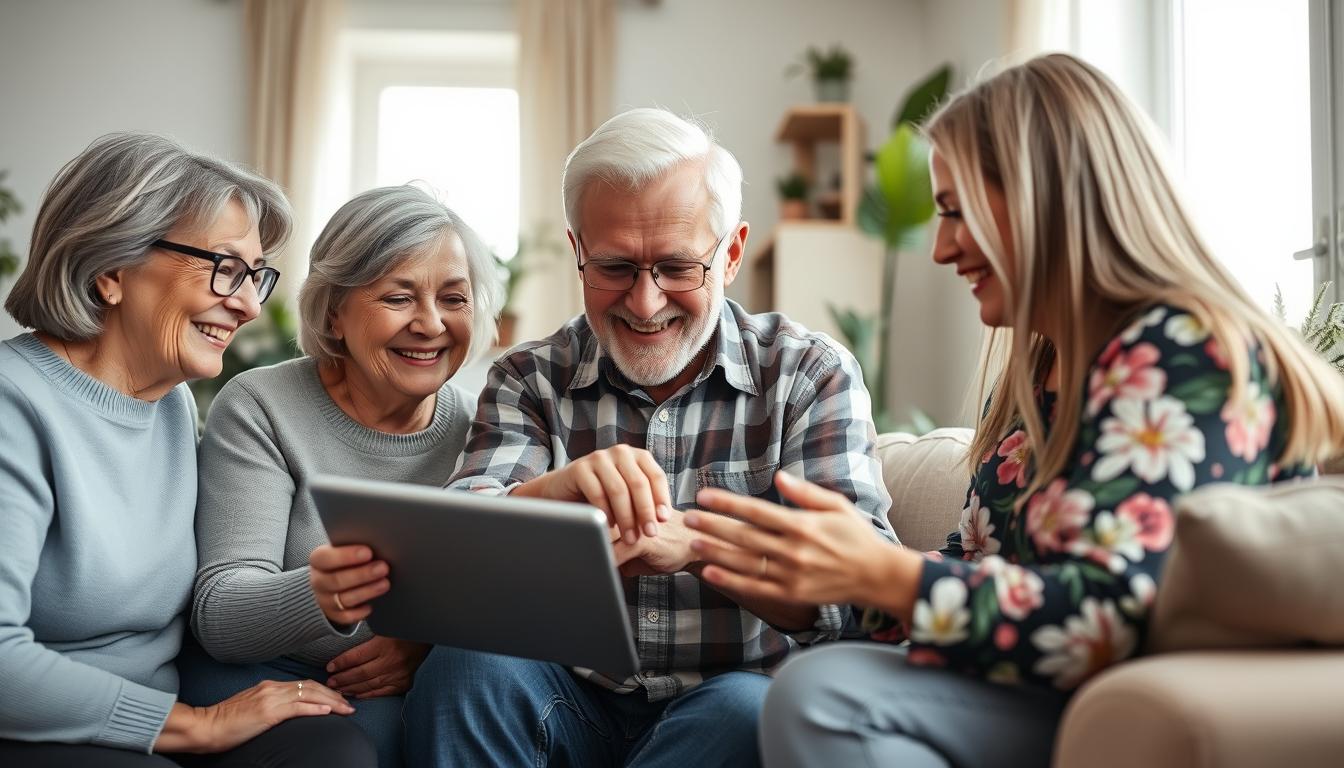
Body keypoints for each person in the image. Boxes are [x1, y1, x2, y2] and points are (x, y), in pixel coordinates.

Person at [682, 52, 1344, 768]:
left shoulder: (1188, 351)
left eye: (955, 212)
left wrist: (885, 574)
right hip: (1035, 682)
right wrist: (846, 572)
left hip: (1116, 685)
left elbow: (1110, 609)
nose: (940, 248)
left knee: (823, 694)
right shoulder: (1040, 371)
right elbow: (975, 564)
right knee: (795, 685)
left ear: (1046, 199)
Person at [387, 107, 894, 768]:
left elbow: (865, 600)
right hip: (562, 696)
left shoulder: (807, 374)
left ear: (732, 253)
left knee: (748, 710)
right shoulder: (530, 378)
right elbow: (450, 569)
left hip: (725, 703)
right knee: (465, 669)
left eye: (679, 268)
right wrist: (550, 494)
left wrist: (700, 547)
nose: (646, 303)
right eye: (617, 268)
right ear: (578, 253)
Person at [0, 132, 376, 767]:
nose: (252, 305)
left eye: (257, 275)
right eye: (226, 268)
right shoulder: (15, 403)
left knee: (331, 749)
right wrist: (197, 726)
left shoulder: (169, 401)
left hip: (160, 709)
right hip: (39, 721)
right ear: (110, 270)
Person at [178, 185, 503, 768]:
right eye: (399, 297)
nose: (430, 324)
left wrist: (421, 643)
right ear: (334, 309)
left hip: (401, 684)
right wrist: (322, 593)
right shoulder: (262, 404)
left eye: (453, 298)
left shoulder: (488, 427)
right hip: (259, 677)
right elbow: (221, 616)